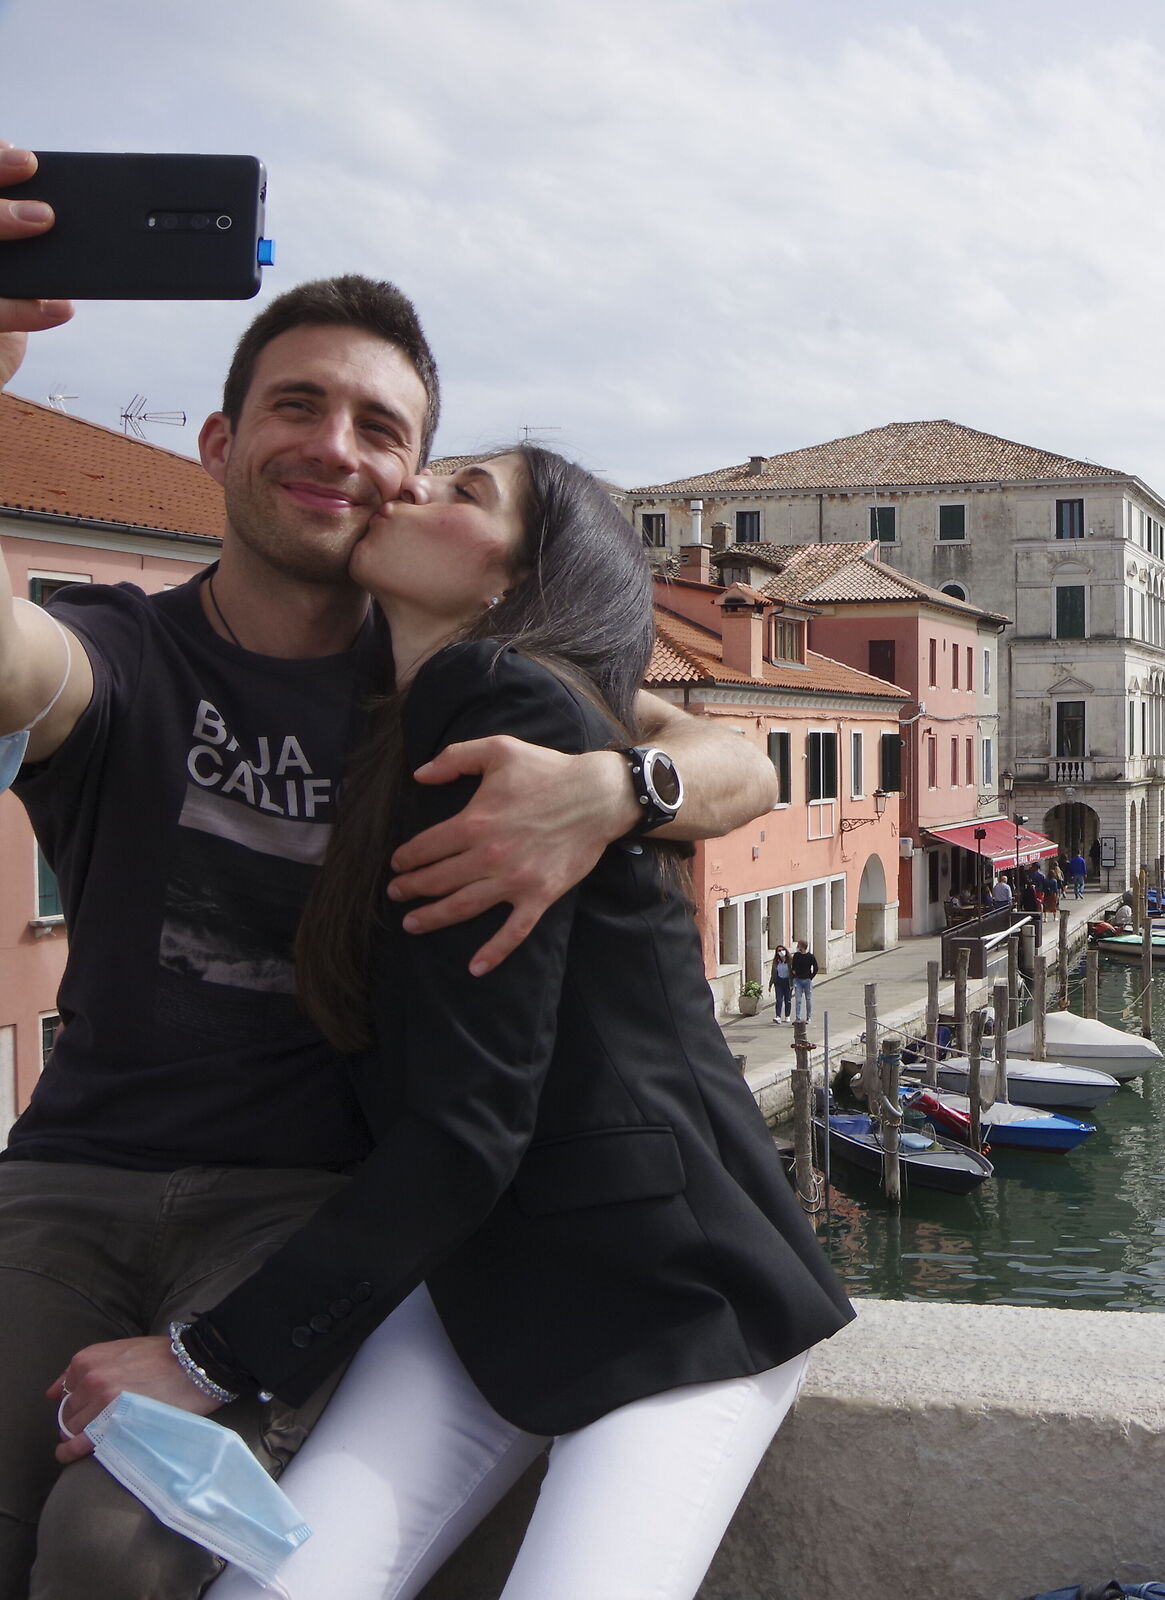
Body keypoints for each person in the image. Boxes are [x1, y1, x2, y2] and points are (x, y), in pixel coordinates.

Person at [0, 166, 778, 1598]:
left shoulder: (481, 695)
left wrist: (619, 788)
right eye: (297, 407)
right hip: (83, 1180)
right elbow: (14, 660)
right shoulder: (118, 651)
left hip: (332, 1209)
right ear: (220, 441)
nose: (363, 460)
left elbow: (742, 761)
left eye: (399, 439)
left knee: (109, 1550)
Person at [53, 446, 853, 1597]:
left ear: (517, 579)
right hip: (488, 1280)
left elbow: (471, 1120)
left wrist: (203, 1356)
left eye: (462, 490)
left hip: (673, 1287)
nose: (409, 485)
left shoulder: (504, 699)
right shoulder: (408, 709)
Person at [788, 940, 817, 1025]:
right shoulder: (796, 956)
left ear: (802, 946)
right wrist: (794, 974)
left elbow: (816, 968)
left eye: (798, 945)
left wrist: (810, 977)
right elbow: (793, 966)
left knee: (808, 999)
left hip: (807, 980)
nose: (797, 947)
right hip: (798, 980)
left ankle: (808, 1017)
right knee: (798, 1000)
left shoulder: (810, 956)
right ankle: (798, 1018)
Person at [770, 944, 794, 1022]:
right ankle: (778, 1016)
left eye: (782, 950)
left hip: (788, 982)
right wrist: (771, 984)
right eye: (779, 951)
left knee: (788, 999)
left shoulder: (790, 961)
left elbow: (793, 972)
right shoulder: (776, 962)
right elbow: (773, 974)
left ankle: (787, 1015)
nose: (781, 952)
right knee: (779, 1000)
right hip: (779, 982)